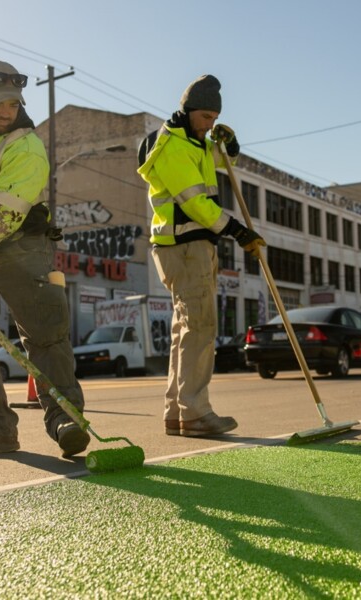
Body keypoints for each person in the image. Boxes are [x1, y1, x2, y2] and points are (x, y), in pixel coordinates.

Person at [0, 60, 89, 457]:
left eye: (13, 103)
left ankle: (65, 419)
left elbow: (5, 218)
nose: (7, 111)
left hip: (19, 241)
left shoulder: (26, 146)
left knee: (45, 332)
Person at [137, 74, 265, 437]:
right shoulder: (174, 146)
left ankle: (178, 413)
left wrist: (231, 144)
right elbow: (195, 203)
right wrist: (237, 230)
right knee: (200, 327)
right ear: (189, 110)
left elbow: (223, 162)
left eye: (214, 118)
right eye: (206, 117)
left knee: (186, 332)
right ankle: (194, 412)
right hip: (185, 245)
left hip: (193, 246)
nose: (211, 124)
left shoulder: (195, 144)